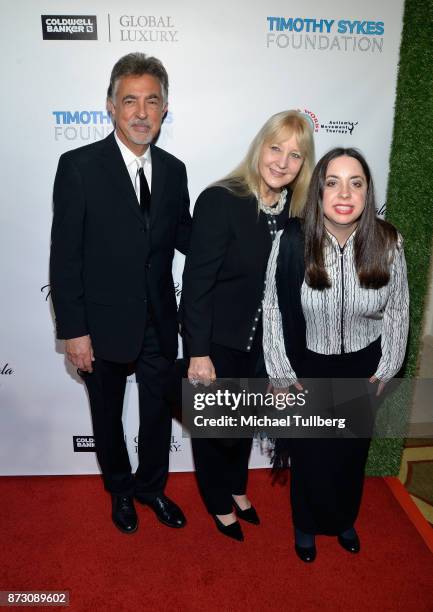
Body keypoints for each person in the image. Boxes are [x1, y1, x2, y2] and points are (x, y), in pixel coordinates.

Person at [50, 52, 191, 534]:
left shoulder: (174, 171)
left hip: (159, 322)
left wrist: (246, 209)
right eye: (129, 100)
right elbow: (64, 258)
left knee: (157, 414)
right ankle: (121, 491)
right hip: (101, 323)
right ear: (110, 105)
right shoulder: (79, 167)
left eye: (152, 101)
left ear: (165, 108)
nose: (141, 112)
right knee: (106, 415)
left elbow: (187, 237)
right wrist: (74, 331)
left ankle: (152, 488)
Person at [263, 147, 409, 561]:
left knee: (349, 453)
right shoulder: (291, 241)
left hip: (364, 366)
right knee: (310, 454)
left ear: (366, 192)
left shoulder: (388, 241)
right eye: (333, 182)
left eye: (356, 182)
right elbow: (273, 308)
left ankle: (343, 519)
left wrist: (385, 369)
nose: (344, 193)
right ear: (319, 191)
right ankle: (306, 524)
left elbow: (398, 309)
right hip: (309, 364)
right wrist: (280, 374)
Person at [181, 111, 315, 540]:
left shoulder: (296, 212)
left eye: (295, 155)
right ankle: (218, 501)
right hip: (218, 343)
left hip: (265, 347)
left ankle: (238, 488)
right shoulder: (221, 199)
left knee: (243, 425)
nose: (282, 161)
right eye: (276, 148)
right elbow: (197, 283)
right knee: (215, 429)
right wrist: (197, 352)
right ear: (260, 147)